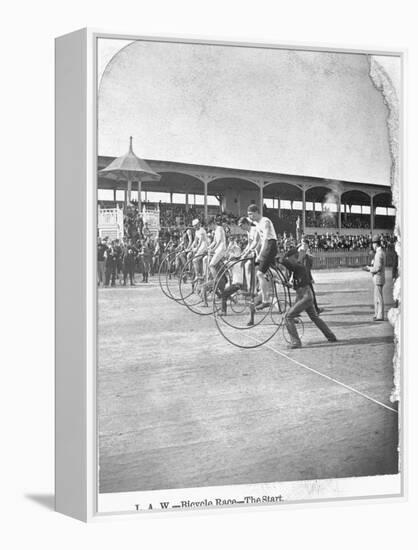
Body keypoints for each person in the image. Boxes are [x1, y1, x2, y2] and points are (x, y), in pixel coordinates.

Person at [280, 248, 337, 349]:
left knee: (288, 317)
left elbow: (285, 263)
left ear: (293, 257)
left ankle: (296, 342)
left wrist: (281, 258)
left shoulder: (298, 266)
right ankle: (331, 336)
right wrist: (288, 285)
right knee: (315, 318)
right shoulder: (299, 267)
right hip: (306, 296)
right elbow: (298, 285)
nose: (288, 260)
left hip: (305, 297)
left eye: (289, 258)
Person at [246, 204, 277, 309]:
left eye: (251, 214)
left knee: (259, 273)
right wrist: (249, 250)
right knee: (259, 270)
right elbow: (257, 240)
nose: (250, 216)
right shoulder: (257, 223)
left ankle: (266, 300)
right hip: (266, 246)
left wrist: (260, 254)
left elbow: (266, 240)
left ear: (256, 212)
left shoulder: (265, 221)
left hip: (270, 245)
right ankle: (263, 291)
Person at [363, 234, 386, 321]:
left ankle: (380, 315)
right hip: (379, 278)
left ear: (376, 244)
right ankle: (377, 314)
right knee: (377, 297)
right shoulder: (381, 252)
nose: (372, 245)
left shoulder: (379, 254)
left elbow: (377, 268)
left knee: (379, 298)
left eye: (373, 243)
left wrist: (369, 269)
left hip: (378, 278)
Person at [297, 239, 323, 315]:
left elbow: (307, 268)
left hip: (305, 277)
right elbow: (304, 267)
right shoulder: (302, 254)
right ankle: (316, 310)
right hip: (303, 278)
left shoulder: (305, 254)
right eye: (303, 244)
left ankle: (296, 311)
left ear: (308, 245)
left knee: (301, 296)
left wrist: (311, 278)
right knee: (308, 295)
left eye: (305, 244)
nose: (304, 246)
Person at [237, 216, 261, 292]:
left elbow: (255, 243)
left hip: (258, 251)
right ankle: (247, 286)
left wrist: (247, 253)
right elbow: (249, 244)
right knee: (242, 263)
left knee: (247, 265)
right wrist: (243, 252)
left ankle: (250, 287)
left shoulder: (254, 229)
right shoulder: (248, 231)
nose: (241, 228)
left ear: (246, 223)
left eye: (241, 226)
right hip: (253, 251)